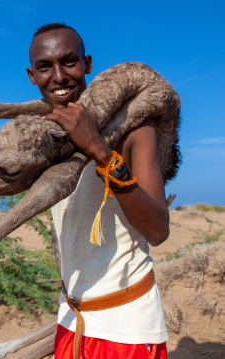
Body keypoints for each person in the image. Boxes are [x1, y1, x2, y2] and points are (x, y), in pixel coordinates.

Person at [26, 23, 170, 358]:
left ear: (88, 64)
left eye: (69, 62)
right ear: (32, 76)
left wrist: (102, 154)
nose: (59, 76)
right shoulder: (44, 136)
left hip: (127, 328)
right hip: (70, 318)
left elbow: (158, 230)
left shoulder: (133, 127)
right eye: (45, 67)